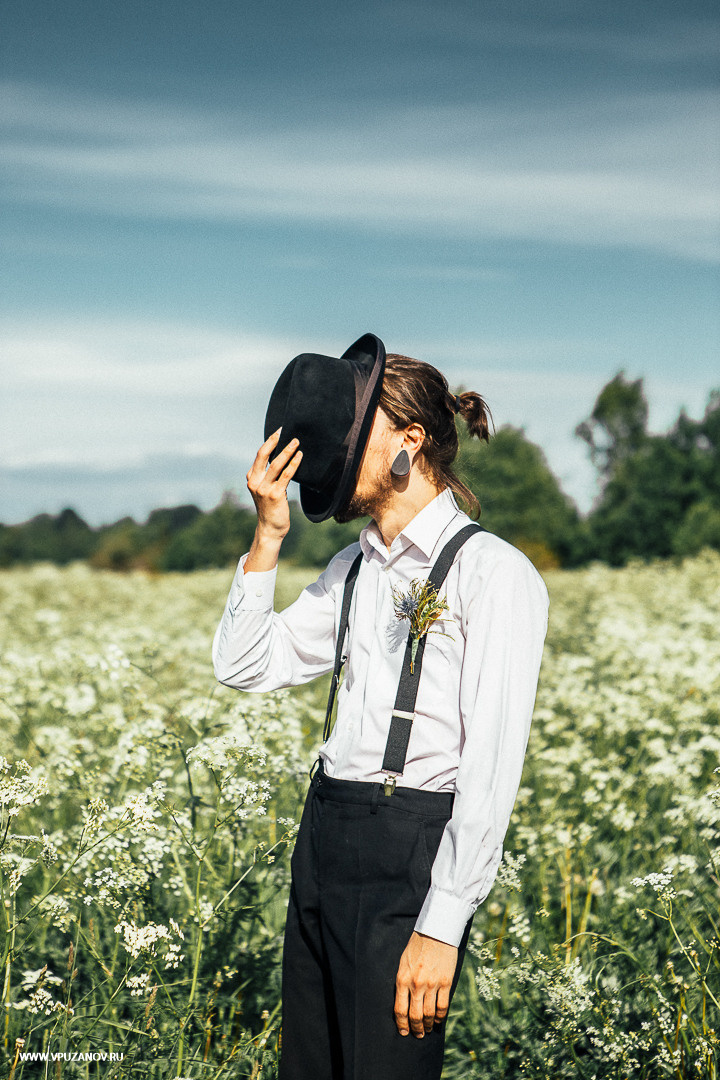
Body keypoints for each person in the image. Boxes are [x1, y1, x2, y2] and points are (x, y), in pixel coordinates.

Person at [212, 336, 549, 1080]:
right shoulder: (351, 567)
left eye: (350, 438)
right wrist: (267, 537)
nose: (331, 455)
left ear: (410, 439)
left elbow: (491, 768)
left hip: (410, 858)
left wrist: (443, 923)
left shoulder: (495, 575)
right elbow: (243, 666)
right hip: (325, 834)